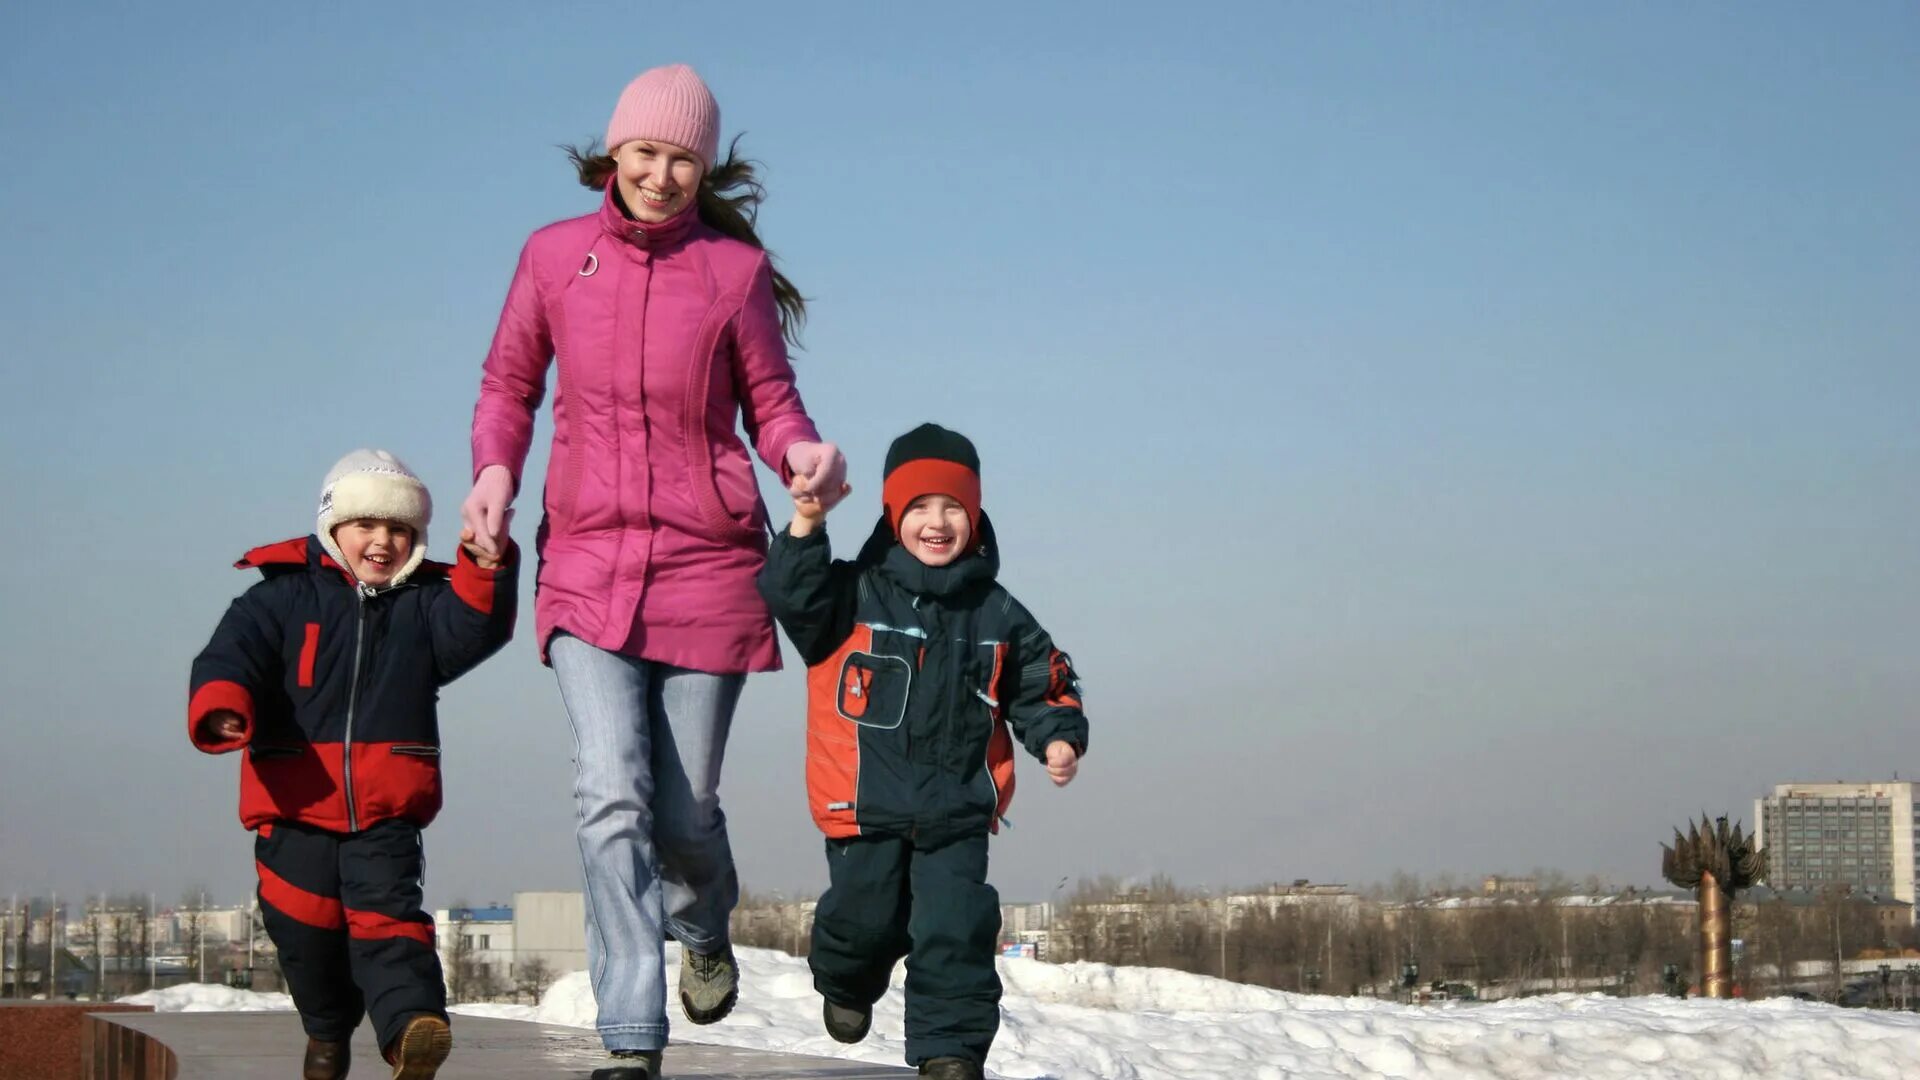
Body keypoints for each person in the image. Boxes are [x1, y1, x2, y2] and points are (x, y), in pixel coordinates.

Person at [461, 62, 846, 1079]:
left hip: (707, 565)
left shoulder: (733, 272)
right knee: (609, 792)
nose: (662, 175)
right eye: (646, 153)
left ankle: (703, 923)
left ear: (704, 166)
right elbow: (508, 380)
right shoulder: (553, 258)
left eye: (683, 159)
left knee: (684, 815)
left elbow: (772, 400)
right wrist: (495, 469)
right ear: (614, 151)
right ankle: (632, 1034)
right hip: (585, 562)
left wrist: (802, 454)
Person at [758, 423, 1089, 1080]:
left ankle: (950, 1052)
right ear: (891, 514)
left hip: (956, 813)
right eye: (918, 507)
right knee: (864, 920)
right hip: (864, 807)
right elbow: (791, 594)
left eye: (952, 508)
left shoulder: (997, 614)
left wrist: (1056, 734)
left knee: (957, 930)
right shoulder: (853, 595)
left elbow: (1041, 677)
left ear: (974, 515)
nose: (936, 522)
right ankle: (846, 980)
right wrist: (807, 519)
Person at [188, 449, 517, 1080]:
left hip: (387, 807)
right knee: (304, 935)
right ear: (332, 525)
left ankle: (411, 1030)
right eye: (367, 524)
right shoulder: (277, 598)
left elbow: (477, 626)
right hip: (293, 804)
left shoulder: (424, 605)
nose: (383, 541)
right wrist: (224, 705)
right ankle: (327, 1031)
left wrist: (485, 564)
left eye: (399, 530)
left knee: (391, 921)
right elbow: (228, 657)